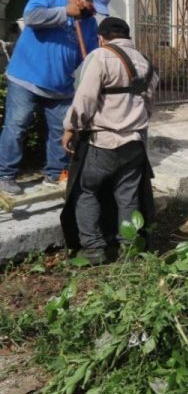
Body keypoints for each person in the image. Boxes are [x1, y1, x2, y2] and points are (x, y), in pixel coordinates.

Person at [60, 17, 158, 265]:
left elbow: (84, 98)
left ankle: (93, 250)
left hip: (102, 142)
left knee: (86, 191)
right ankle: (128, 248)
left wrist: (71, 127)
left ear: (102, 37)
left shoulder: (100, 56)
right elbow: (149, 104)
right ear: (127, 36)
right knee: (128, 197)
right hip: (135, 144)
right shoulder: (145, 62)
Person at [0, 0, 110, 196]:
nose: (94, 12)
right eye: (93, 7)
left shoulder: (89, 25)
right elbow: (31, 18)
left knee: (63, 130)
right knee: (16, 126)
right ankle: (5, 175)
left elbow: (90, 55)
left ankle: (56, 173)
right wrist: (63, 12)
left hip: (60, 85)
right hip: (26, 77)